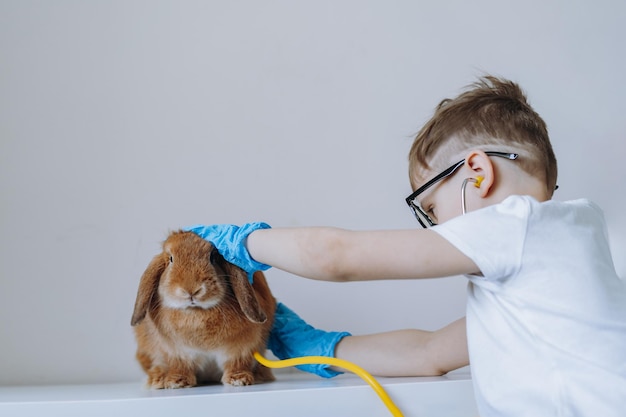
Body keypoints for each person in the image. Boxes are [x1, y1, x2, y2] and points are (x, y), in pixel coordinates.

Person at [186, 76, 626, 416]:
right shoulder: (560, 259)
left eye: (431, 207)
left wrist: (241, 242)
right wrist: (322, 348)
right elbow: (430, 353)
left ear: (478, 174)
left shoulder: (519, 224)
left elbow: (337, 257)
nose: (433, 225)